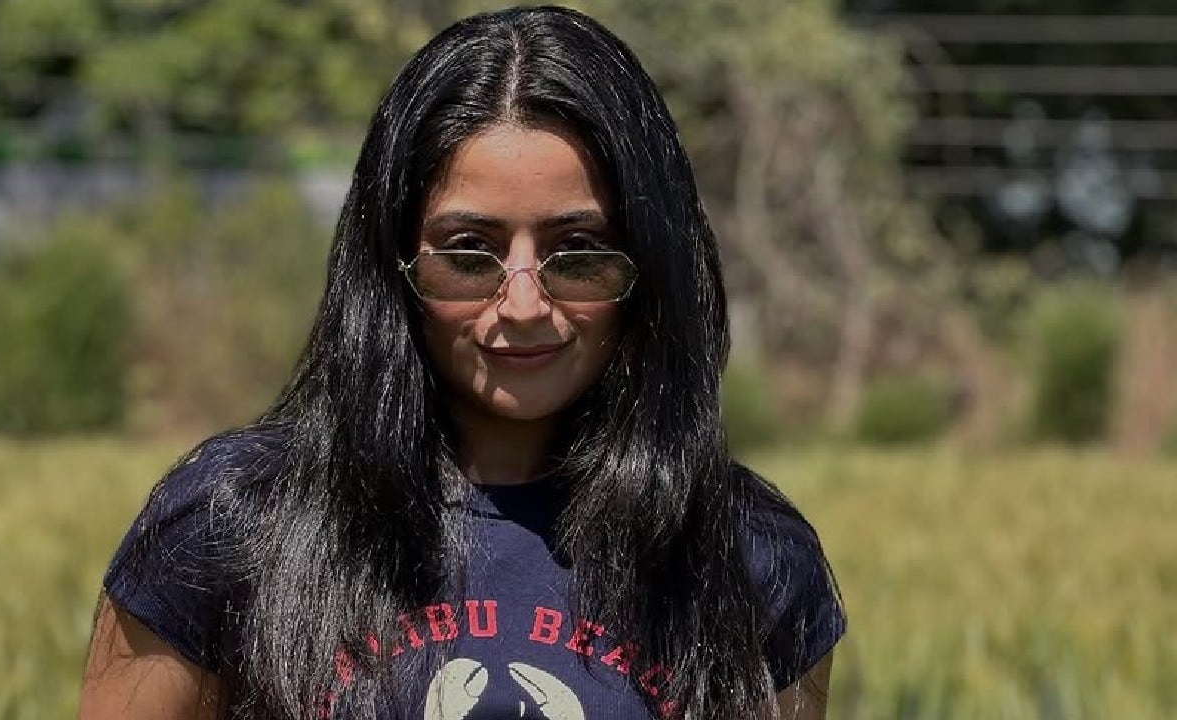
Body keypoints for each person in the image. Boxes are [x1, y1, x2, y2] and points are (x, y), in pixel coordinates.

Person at [79, 6, 845, 720]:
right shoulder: (226, 525)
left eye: (579, 253)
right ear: (394, 267)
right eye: (469, 254)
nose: (523, 304)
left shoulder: (751, 559)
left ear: (649, 266)